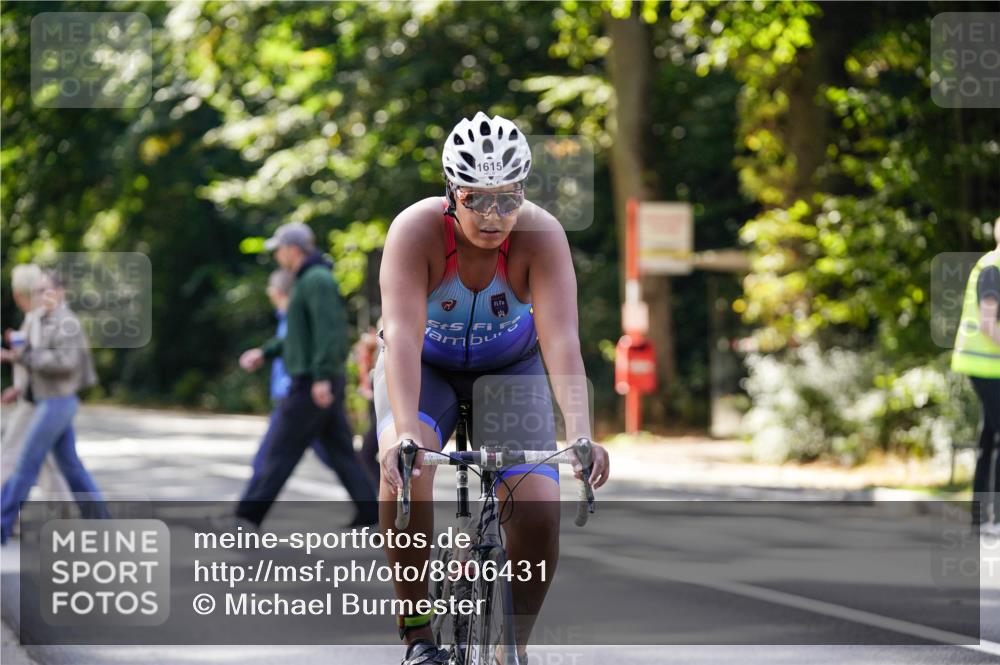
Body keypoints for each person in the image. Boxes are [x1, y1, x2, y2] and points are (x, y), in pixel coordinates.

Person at [375, 112, 610, 665]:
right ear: (451, 192)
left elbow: (562, 340)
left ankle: (512, 645)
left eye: (507, 199)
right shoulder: (415, 231)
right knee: (405, 473)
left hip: (509, 370)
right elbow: (403, 337)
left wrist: (580, 433)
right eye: (477, 198)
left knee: (539, 509)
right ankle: (417, 635)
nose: (492, 215)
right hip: (423, 368)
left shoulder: (541, 235)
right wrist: (405, 434)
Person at [236, 223, 378, 528]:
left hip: (312, 384)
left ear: (293, 249)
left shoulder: (317, 280)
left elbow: (329, 333)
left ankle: (246, 517)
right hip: (317, 381)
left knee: (279, 449)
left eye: (279, 250)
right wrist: (265, 352)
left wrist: (322, 376)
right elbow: (299, 337)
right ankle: (371, 511)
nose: (277, 256)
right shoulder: (306, 280)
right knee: (340, 452)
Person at [1, 270, 110, 544]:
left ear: (60, 292)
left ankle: (2, 523)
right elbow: (34, 359)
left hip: (58, 403)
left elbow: (66, 363)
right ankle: (103, 523)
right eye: (37, 291)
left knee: (26, 463)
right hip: (47, 401)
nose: (39, 296)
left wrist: (27, 354)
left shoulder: (66, 322)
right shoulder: (42, 320)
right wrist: (20, 375)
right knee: (72, 469)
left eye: (44, 290)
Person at [241, 269, 338, 483]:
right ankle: (374, 504)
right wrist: (263, 353)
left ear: (276, 292)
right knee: (340, 458)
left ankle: (245, 515)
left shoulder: (295, 317)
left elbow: (299, 349)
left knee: (267, 459)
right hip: (299, 394)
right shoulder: (290, 317)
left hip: (294, 395)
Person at [2, 264, 72, 501]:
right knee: (46, 462)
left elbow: (39, 359)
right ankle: (64, 515)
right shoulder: (39, 317)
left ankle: (6, 513)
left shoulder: (38, 318)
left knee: (11, 455)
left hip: (38, 400)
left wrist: (11, 355)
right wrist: (18, 387)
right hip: (39, 397)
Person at [952, 216, 1000, 530]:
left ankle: (980, 515)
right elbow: (987, 324)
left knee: (989, 438)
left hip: (988, 366)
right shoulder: (994, 269)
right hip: (984, 366)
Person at [353, 324, 381, 487]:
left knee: (366, 453)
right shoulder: (370, 356)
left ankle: (384, 492)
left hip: (387, 406)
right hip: (377, 404)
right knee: (366, 454)